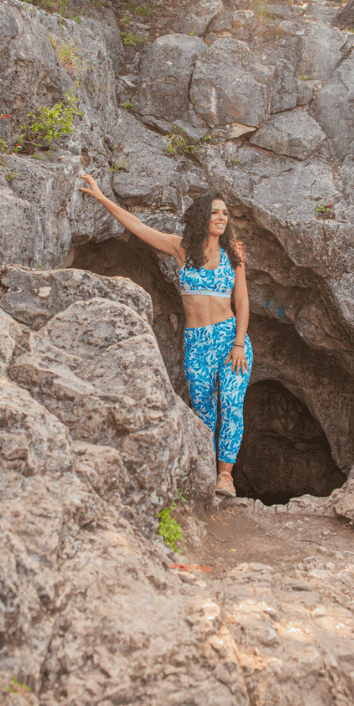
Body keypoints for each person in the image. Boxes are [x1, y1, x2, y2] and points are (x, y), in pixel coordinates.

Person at [78, 174, 253, 496]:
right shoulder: (181, 248)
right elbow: (139, 227)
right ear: (203, 216)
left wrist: (240, 343)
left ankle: (225, 477)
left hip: (231, 340)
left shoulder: (234, 254)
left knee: (231, 402)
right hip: (197, 341)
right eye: (215, 212)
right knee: (203, 410)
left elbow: (242, 302)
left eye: (225, 214)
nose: (222, 218)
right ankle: (203, 470)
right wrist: (102, 198)